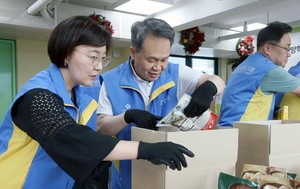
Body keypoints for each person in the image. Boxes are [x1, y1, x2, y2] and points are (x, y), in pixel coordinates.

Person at [0, 16, 195, 189]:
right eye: (93, 58)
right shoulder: (37, 96)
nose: (99, 67)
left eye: (103, 59)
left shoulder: (82, 97)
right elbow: (76, 140)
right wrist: (146, 149)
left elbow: (92, 141)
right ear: (66, 53)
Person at [96, 17, 225, 189]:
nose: (158, 67)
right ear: (133, 52)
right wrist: (127, 117)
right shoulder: (111, 81)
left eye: (164, 59)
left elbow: (218, 81)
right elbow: (102, 127)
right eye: (151, 60)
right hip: (128, 176)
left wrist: (208, 88)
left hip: (168, 175)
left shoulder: (176, 73)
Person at [218, 21, 300, 128]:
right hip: (242, 134)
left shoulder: (247, 64)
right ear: (267, 48)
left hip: (227, 129)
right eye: (286, 48)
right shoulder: (270, 70)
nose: (288, 54)